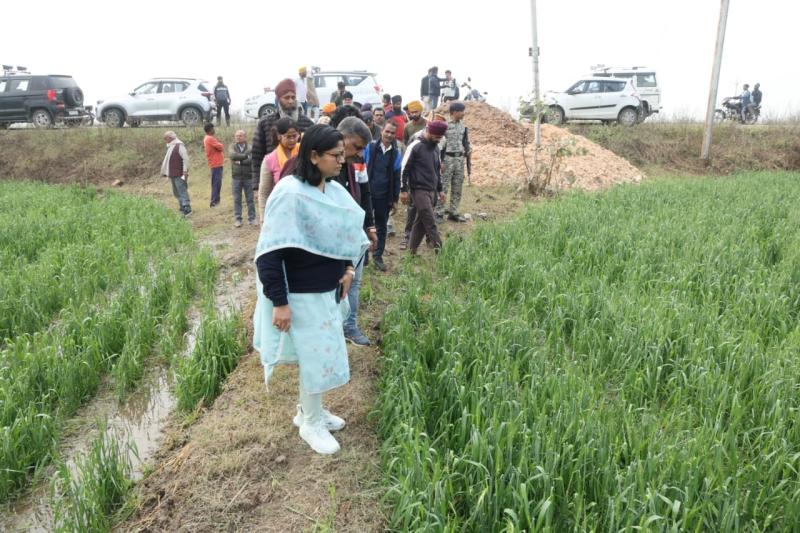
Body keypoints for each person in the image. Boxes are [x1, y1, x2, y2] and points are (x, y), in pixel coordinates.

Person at [254, 124, 370, 455]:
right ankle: (311, 423)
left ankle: (309, 411)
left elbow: (346, 235)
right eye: (336, 155)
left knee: (319, 355)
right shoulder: (290, 194)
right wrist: (279, 302)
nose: (342, 161)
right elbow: (270, 253)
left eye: (343, 154)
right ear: (314, 156)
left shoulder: (333, 191)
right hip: (302, 293)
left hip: (328, 290)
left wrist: (348, 268)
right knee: (316, 357)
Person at [251, 78, 314, 190]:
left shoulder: (307, 123)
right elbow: (256, 155)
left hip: (303, 183)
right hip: (273, 183)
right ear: (278, 99)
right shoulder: (265, 123)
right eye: (286, 97)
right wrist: (256, 185)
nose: (290, 101)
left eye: (293, 97)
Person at [400, 121, 447, 255]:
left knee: (421, 223)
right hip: (418, 190)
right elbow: (404, 169)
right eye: (436, 137)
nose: (438, 140)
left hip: (432, 190)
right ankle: (442, 252)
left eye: (440, 138)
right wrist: (403, 190)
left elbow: (437, 171)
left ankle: (411, 252)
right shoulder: (415, 146)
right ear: (428, 132)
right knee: (430, 221)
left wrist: (440, 190)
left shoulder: (436, 148)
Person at [364, 121, 402, 272]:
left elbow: (397, 176)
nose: (389, 135)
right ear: (382, 131)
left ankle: (378, 256)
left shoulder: (396, 154)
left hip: (384, 195)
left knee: (381, 227)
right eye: (387, 131)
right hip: (367, 193)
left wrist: (395, 199)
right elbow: (362, 167)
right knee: (364, 224)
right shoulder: (370, 147)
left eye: (392, 133)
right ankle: (363, 255)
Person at [258, 117, 300, 223]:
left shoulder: (304, 153)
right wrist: (263, 219)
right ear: (279, 136)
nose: (292, 140)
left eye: (295, 136)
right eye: (288, 137)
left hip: (303, 210)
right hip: (281, 212)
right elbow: (264, 193)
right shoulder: (270, 159)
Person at [437, 101, 471, 222]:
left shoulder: (463, 126)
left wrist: (468, 149)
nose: (463, 113)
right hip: (447, 159)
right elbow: (440, 144)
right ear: (454, 112)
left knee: (457, 186)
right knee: (443, 186)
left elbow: (465, 141)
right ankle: (439, 212)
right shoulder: (445, 125)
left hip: (459, 159)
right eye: (461, 111)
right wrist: (440, 161)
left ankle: (454, 212)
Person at [161, 131, 191, 217]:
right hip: (173, 173)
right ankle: (182, 206)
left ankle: (187, 208)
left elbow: (185, 159)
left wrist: (185, 171)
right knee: (176, 192)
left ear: (170, 138)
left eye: (165, 138)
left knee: (182, 190)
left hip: (180, 173)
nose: (165, 140)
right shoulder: (171, 146)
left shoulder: (179, 146)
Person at [229, 129, 255, 227]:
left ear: (245, 137)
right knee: (237, 199)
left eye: (240, 135)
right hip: (236, 177)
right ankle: (238, 219)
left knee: (250, 199)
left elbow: (251, 160)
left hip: (248, 177)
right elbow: (232, 155)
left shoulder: (250, 147)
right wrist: (245, 156)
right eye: (236, 136)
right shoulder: (232, 147)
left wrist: (238, 161)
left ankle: (252, 218)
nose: (238, 137)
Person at [204, 123, 225, 207]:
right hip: (216, 164)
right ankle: (214, 202)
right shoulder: (210, 138)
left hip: (216, 163)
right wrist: (220, 144)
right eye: (213, 128)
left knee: (217, 183)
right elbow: (221, 147)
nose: (214, 130)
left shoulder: (208, 138)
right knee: (216, 183)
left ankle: (216, 201)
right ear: (210, 130)